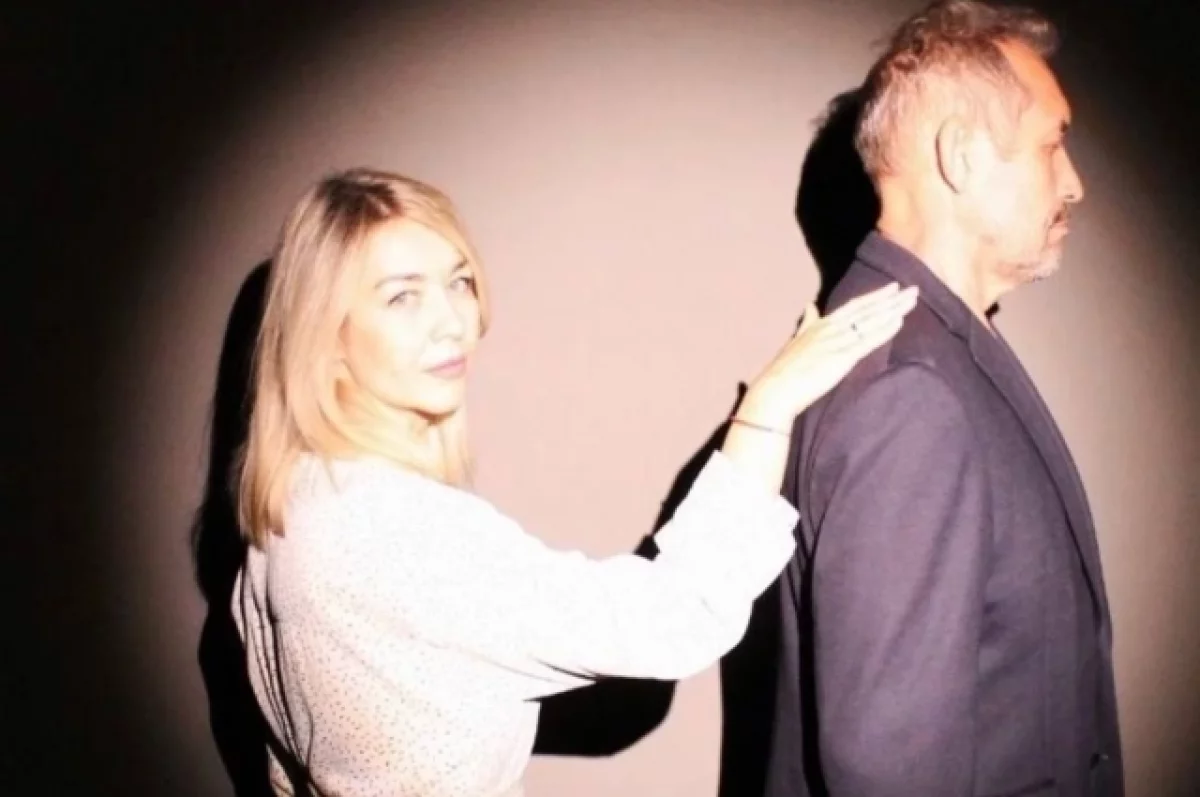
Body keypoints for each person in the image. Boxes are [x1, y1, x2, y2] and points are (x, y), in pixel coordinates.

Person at [230, 167, 916, 797]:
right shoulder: (400, 533)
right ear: (327, 335)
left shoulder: (296, 501)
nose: (453, 321)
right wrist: (767, 407)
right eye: (402, 296)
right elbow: (675, 618)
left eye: (459, 281)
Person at [765, 3, 1123, 796]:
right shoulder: (909, 391)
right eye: (1051, 144)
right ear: (960, 154)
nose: (1074, 182)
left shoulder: (931, 350)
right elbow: (890, 767)